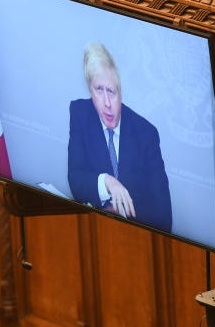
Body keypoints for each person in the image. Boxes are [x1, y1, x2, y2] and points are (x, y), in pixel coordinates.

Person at [67, 42, 172, 232]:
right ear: (90, 91)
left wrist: (119, 212)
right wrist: (107, 181)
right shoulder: (79, 113)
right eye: (99, 90)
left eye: (111, 92)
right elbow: (75, 180)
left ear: (121, 93)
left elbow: (164, 217)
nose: (106, 103)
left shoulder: (146, 134)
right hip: (92, 231)